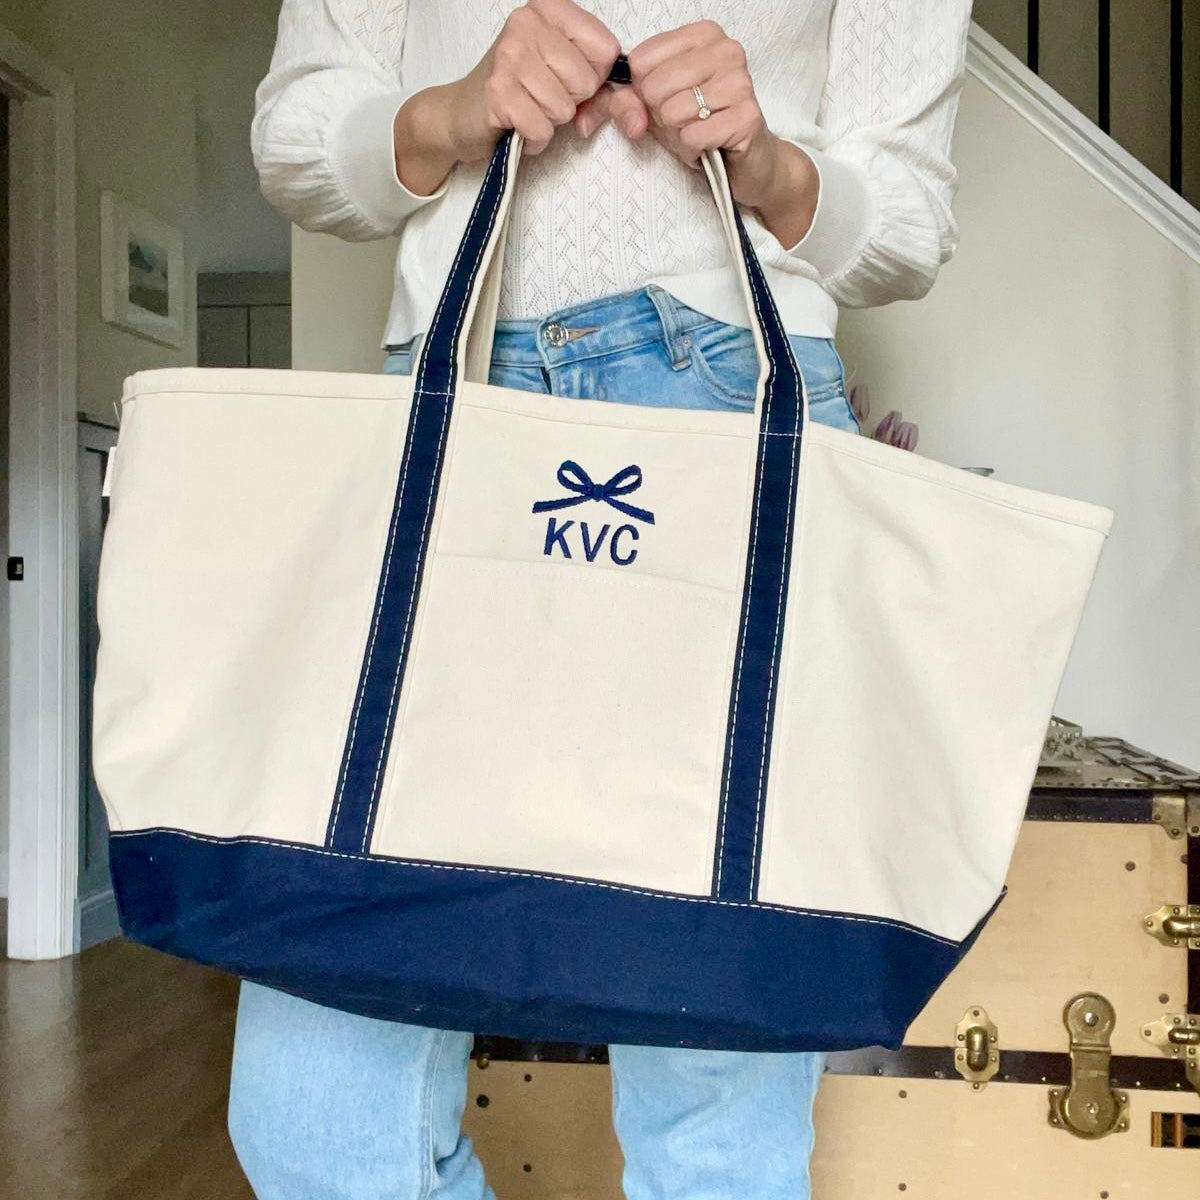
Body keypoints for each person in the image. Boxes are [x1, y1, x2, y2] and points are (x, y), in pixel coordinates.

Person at [235, 1, 973, 1196]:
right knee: (314, 1109)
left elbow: (909, 223)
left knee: (714, 1118)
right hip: (451, 394)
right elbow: (297, 136)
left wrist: (775, 164)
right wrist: (449, 112)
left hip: (729, 413)